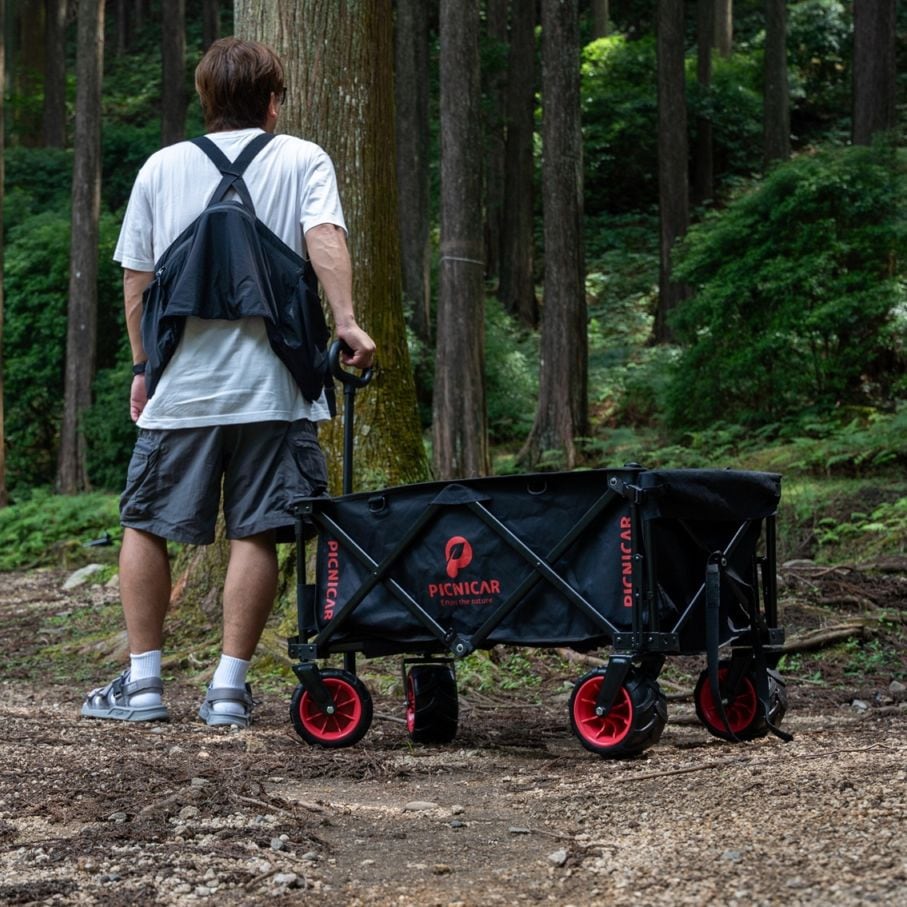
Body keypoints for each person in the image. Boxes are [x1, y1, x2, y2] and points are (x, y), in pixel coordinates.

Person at [81, 37, 375, 729]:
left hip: (182, 383)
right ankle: (227, 689)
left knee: (146, 523)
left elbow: (138, 278)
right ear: (273, 100)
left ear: (206, 99)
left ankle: (145, 683)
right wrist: (347, 323)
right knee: (258, 529)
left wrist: (143, 365)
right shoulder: (302, 158)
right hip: (276, 383)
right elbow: (323, 236)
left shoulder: (161, 167)